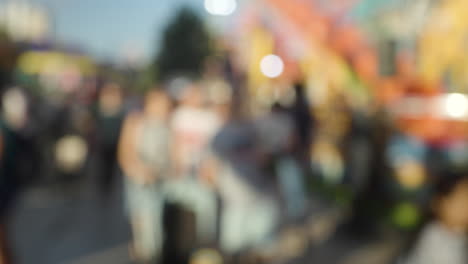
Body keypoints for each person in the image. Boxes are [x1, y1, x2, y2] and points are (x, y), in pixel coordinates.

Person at [118, 89, 172, 263]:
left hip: (162, 181)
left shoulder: (168, 123)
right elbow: (125, 153)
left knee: (158, 229)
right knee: (146, 230)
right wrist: (140, 172)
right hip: (140, 182)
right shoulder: (135, 121)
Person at [168, 82, 221, 245]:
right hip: (182, 171)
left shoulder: (212, 117)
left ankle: (204, 245)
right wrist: (175, 165)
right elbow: (173, 143)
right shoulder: (179, 115)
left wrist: (211, 170)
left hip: (203, 172)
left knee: (206, 208)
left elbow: (216, 149)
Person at [403, 172, 468, 264]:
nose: (466, 207)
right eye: (463, 200)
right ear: (440, 203)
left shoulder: (457, 234)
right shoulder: (435, 240)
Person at [94, 83, 124, 196]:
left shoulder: (119, 111)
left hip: (115, 141)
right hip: (103, 141)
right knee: (103, 164)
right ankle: (103, 185)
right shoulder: (99, 110)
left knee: (111, 165)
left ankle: (108, 185)